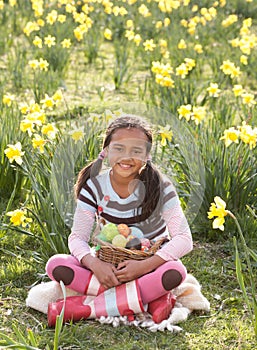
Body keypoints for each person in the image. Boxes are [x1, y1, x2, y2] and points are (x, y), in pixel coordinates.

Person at [46, 115, 193, 326]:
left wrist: (144, 267)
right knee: (56, 265)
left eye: (136, 151)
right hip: (110, 267)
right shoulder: (94, 187)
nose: (127, 157)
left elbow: (184, 239)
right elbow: (77, 237)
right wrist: (95, 264)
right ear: (105, 151)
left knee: (175, 272)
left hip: (149, 267)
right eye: (119, 148)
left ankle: (85, 308)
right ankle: (149, 300)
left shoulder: (161, 187)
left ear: (147, 155)